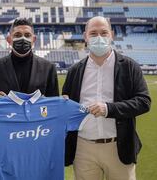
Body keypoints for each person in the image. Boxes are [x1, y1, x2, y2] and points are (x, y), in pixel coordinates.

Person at [62, 16, 151, 180]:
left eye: (103, 32)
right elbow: (67, 105)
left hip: (118, 146)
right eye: (93, 33)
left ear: (112, 34)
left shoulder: (129, 66)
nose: (99, 37)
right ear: (85, 37)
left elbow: (144, 102)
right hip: (83, 148)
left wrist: (109, 108)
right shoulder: (75, 70)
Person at [0, 17, 59, 154]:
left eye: (27, 35)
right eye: (17, 35)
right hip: (4, 140)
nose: (22, 39)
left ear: (34, 39)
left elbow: (54, 109)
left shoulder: (48, 68)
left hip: (37, 139)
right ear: (9, 39)